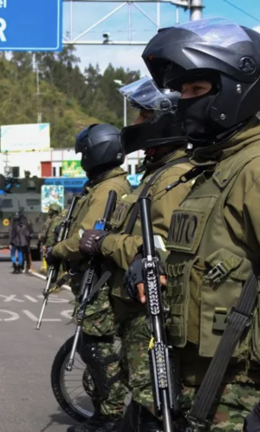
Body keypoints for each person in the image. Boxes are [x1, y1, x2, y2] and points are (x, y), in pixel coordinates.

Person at [122, 17, 260, 432]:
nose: (184, 101)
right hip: (187, 391)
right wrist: (150, 267)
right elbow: (200, 253)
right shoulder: (208, 173)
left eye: (196, 90)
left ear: (236, 89)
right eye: (181, 91)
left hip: (241, 400)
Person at [74, 76, 194, 432]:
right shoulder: (157, 175)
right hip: (134, 310)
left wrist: (103, 243)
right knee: (142, 405)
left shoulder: (175, 179)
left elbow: (160, 248)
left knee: (153, 405)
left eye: (142, 116)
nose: (135, 124)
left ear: (164, 121)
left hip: (151, 313)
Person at [44, 124, 132, 432]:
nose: (82, 159)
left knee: (97, 346)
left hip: (101, 282)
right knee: (95, 343)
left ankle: (111, 415)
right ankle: (109, 410)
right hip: (94, 279)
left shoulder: (109, 190)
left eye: (84, 153)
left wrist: (57, 251)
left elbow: (86, 236)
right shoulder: (103, 186)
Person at [40, 203, 64, 274]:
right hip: (60, 246)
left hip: (53, 247)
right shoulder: (62, 219)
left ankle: (52, 283)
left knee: (51, 268)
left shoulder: (55, 221)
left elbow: (51, 236)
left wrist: (46, 245)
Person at [8, 209, 31, 274]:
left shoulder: (14, 226)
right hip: (22, 243)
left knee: (12, 254)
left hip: (14, 242)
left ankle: (15, 266)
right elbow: (27, 234)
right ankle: (20, 267)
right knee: (20, 254)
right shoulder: (24, 226)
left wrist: (10, 243)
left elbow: (11, 234)